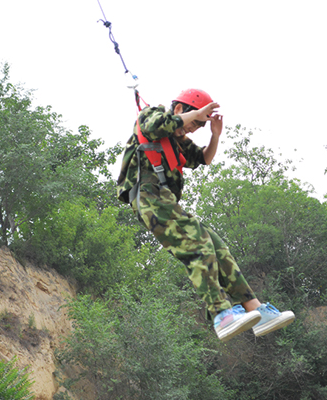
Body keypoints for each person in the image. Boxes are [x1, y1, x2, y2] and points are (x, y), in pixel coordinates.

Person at [117, 88, 295, 342]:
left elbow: (203, 158)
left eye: (199, 125)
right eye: (195, 122)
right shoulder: (152, 114)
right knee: (198, 244)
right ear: (180, 109)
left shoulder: (178, 139)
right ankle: (222, 315)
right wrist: (198, 113)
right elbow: (155, 126)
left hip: (165, 201)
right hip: (148, 195)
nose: (193, 129)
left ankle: (255, 309)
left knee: (217, 246)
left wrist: (215, 135)